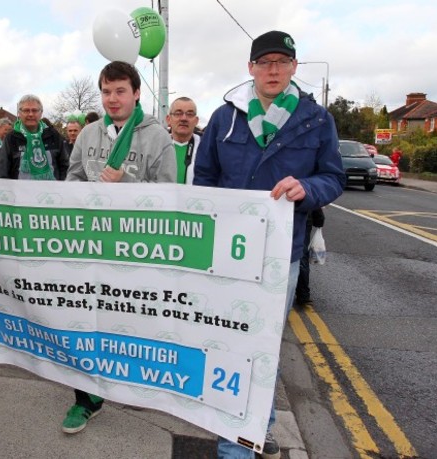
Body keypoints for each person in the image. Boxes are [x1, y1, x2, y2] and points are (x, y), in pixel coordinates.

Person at [193, 31, 345, 458]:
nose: (273, 69)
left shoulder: (317, 119)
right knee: (227, 340)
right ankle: (236, 423)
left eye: (282, 61)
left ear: (294, 67)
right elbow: (204, 179)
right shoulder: (225, 117)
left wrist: (308, 188)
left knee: (262, 344)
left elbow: (333, 177)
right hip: (225, 253)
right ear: (251, 68)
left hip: (282, 253)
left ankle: (250, 430)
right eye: (264, 62)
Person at [64, 61, 176, 433]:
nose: (112, 99)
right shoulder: (89, 134)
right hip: (90, 245)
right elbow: (72, 179)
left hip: (135, 249)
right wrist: (92, 189)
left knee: (130, 322)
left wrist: (123, 188)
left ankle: (134, 386)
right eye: (107, 92)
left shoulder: (157, 136)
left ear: (137, 93)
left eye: (120, 91)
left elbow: (168, 195)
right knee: (84, 321)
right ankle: (86, 400)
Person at [0, 94, 67, 180]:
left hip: (52, 191)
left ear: (41, 113)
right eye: (26, 110)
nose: (30, 114)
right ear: (19, 113)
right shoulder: (11, 138)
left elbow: (65, 166)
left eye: (35, 110)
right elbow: (2, 171)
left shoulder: (53, 135)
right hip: (20, 192)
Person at [166, 96, 201, 184]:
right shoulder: (157, 146)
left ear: (196, 121)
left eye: (190, 114)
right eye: (178, 113)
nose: (184, 118)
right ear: (168, 119)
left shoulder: (206, 148)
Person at [294, 208, 325, 308]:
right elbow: (310, 194)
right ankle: (303, 295)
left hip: (281, 214)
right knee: (301, 254)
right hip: (303, 218)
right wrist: (319, 217)